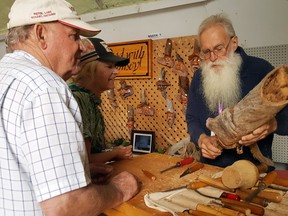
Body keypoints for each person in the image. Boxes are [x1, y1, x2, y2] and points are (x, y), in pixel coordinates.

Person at [0, 0, 139, 215]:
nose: (81, 46)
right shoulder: (44, 86)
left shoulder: (5, 73)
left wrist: (73, 173)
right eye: (73, 36)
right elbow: (65, 206)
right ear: (41, 34)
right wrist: (119, 190)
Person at [186, 13, 288, 170]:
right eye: (206, 52)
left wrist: (272, 125)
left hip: (254, 171)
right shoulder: (199, 76)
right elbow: (191, 117)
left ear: (234, 43)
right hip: (209, 169)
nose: (212, 57)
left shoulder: (261, 70)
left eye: (219, 48)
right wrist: (201, 139)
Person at [68, 37, 133, 164]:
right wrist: (116, 153)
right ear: (88, 70)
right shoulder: (82, 99)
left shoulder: (88, 98)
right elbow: (85, 161)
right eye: (109, 66)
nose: (116, 71)